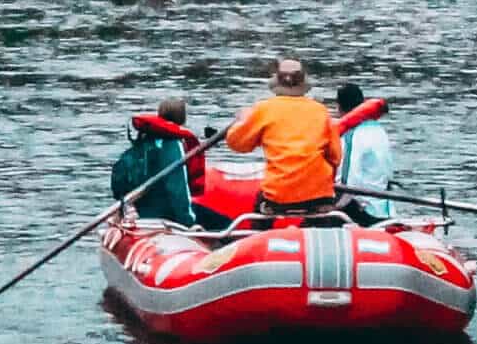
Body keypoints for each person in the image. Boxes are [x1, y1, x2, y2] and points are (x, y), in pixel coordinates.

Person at [222, 57, 341, 217]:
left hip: (278, 194)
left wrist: (243, 120)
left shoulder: (264, 109)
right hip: (319, 195)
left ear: (277, 82)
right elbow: (335, 157)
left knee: (260, 207)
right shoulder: (321, 111)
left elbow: (237, 144)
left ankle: (257, 236)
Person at [111, 95, 203, 223]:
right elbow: (177, 187)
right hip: (163, 215)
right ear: (182, 119)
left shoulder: (146, 138)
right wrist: (189, 222)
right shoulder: (173, 144)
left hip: (142, 211)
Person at [335, 82, 397, 219]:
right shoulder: (379, 130)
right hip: (386, 209)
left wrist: (330, 207)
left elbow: (349, 183)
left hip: (366, 211)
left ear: (339, 108)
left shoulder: (351, 136)